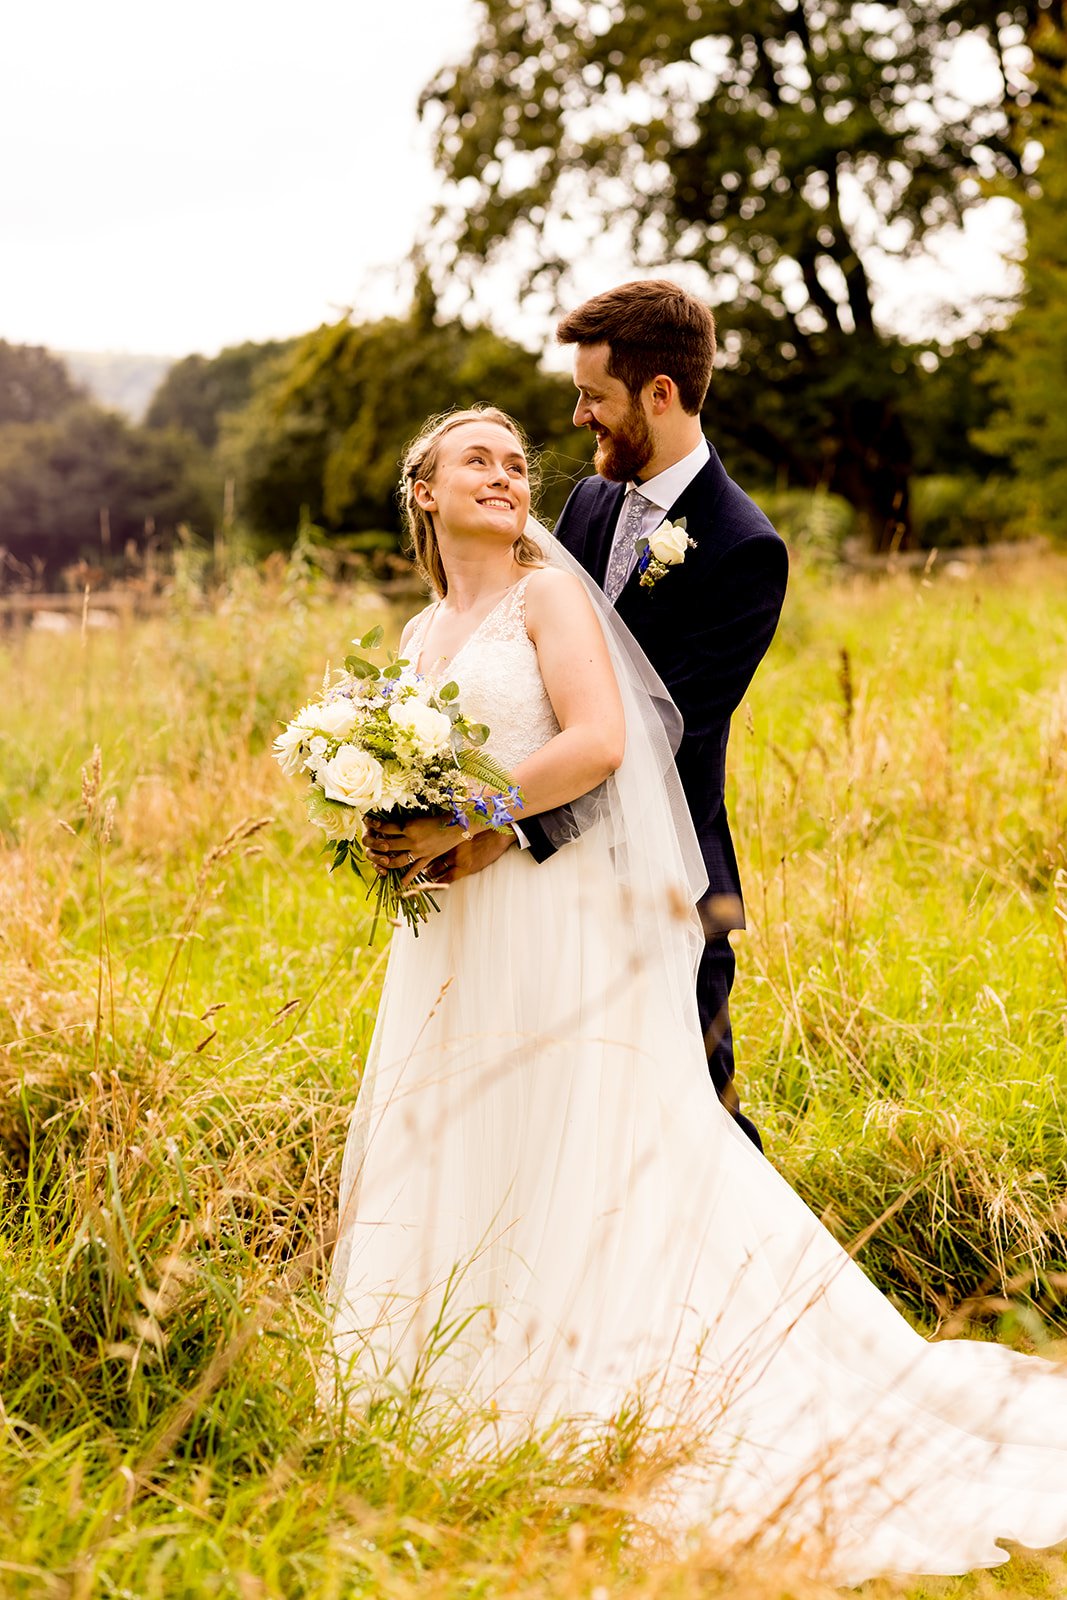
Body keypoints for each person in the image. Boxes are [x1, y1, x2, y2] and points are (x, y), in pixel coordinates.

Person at [328, 405, 1067, 1586]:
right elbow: (424, 764)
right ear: (422, 488)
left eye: (521, 461)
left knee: (598, 1137)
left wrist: (468, 819)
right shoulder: (421, 630)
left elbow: (600, 740)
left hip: (549, 914)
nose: (509, 473)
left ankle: (611, 1378)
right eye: (478, 458)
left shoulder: (545, 598)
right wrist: (389, 825)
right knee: (470, 1131)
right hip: (454, 931)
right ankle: (457, 1372)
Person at [375, 280, 787, 1149]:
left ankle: (754, 1282)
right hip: (529, 890)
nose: (576, 418)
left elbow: (658, 737)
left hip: (665, 873)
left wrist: (503, 828)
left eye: (593, 397)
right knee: (551, 1122)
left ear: (659, 395)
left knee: (690, 1122)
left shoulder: (744, 549)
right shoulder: (594, 501)